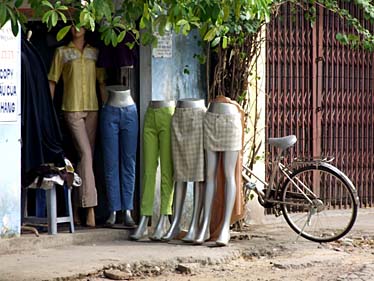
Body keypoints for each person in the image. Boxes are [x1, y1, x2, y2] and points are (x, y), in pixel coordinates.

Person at [48, 26, 105, 227]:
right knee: (86, 154)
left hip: (93, 109)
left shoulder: (94, 53)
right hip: (71, 109)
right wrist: (48, 111)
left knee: (83, 159)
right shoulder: (62, 52)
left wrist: (106, 108)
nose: (76, 27)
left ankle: (75, 209)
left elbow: (101, 83)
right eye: (71, 23)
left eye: (80, 22)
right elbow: (52, 81)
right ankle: (90, 208)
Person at [194, 101, 242, 246]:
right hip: (210, 118)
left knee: (229, 175)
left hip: (231, 121)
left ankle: (225, 228)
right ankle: (204, 227)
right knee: (209, 175)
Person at [162, 98, 206, 242]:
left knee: (198, 173)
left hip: (198, 115)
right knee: (179, 173)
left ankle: (194, 225)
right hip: (178, 114)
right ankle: (175, 223)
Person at [130, 100, 175, 241]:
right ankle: (144, 219)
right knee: (148, 172)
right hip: (150, 113)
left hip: (168, 114)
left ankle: (163, 219)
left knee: (167, 172)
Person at [100, 85, 138, 226]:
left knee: (129, 162)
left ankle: (128, 210)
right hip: (110, 109)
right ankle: (113, 210)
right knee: (111, 163)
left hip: (130, 109)